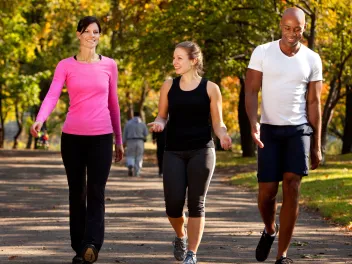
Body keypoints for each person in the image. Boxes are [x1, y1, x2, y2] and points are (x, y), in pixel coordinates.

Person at [30, 16, 124, 264]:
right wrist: (40, 119)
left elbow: (113, 104)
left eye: (97, 32)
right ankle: (79, 246)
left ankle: (92, 244)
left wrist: (119, 139)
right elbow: (52, 94)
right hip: (71, 138)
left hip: (102, 138)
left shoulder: (109, 66)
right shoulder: (65, 66)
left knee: (96, 191)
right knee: (77, 192)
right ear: (78, 34)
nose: (93, 36)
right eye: (88, 31)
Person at [245, 7, 323, 264]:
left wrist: (317, 145)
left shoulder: (312, 59)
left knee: (292, 186)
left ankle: (282, 255)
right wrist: (254, 124)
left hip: (298, 130)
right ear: (281, 26)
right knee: (267, 193)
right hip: (269, 129)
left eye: (297, 29)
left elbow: (314, 103)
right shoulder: (263, 52)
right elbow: (251, 92)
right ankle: (269, 229)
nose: (292, 34)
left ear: (303, 29)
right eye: (287, 28)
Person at [148, 41, 232, 264]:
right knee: (173, 205)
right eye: (174, 57)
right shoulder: (168, 86)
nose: (174, 62)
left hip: (202, 150)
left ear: (193, 60)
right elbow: (162, 115)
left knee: (196, 202)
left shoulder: (211, 88)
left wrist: (223, 135)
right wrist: (159, 124)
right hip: (173, 151)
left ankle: (192, 254)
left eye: (179, 58)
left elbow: (218, 122)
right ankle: (180, 235)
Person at [122, 111, 148, 177]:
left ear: (133, 115)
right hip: (140, 141)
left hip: (130, 141)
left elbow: (125, 134)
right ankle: (137, 172)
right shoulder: (142, 123)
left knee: (130, 155)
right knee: (139, 156)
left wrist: (123, 143)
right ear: (139, 115)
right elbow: (146, 134)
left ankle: (130, 164)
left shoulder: (128, 123)